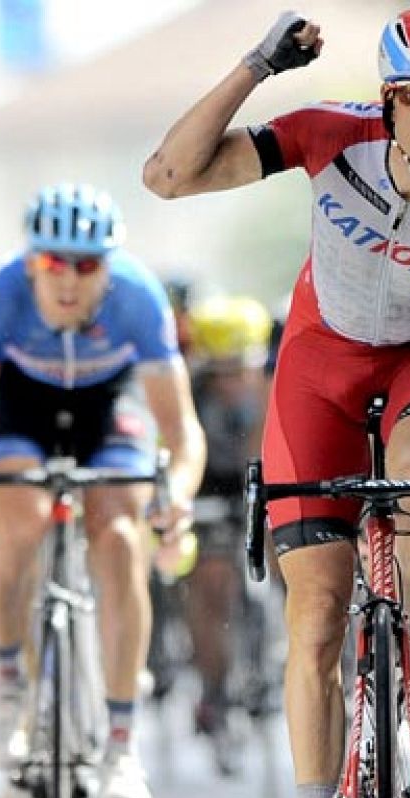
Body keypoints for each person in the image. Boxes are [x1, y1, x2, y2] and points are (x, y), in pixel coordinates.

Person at [142, 7, 410, 798]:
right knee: (314, 614)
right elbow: (167, 175)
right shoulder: (332, 134)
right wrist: (256, 67)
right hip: (317, 367)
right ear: (389, 99)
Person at [0, 184, 206, 798]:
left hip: (109, 408)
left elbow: (182, 430)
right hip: (20, 408)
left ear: (108, 265)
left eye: (87, 264)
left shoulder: (138, 297)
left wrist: (178, 499)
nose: (71, 279)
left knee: (118, 532)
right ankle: (5, 686)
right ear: (33, 263)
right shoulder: (2, 296)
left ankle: (120, 743)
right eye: (55, 263)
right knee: (16, 520)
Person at [182, 293, 274, 772]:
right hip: (208, 484)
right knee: (211, 578)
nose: (233, 381)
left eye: (242, 368)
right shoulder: (188, 391)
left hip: (258, 478)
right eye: (221, 371)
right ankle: (214, 690)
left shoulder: (273, 384)